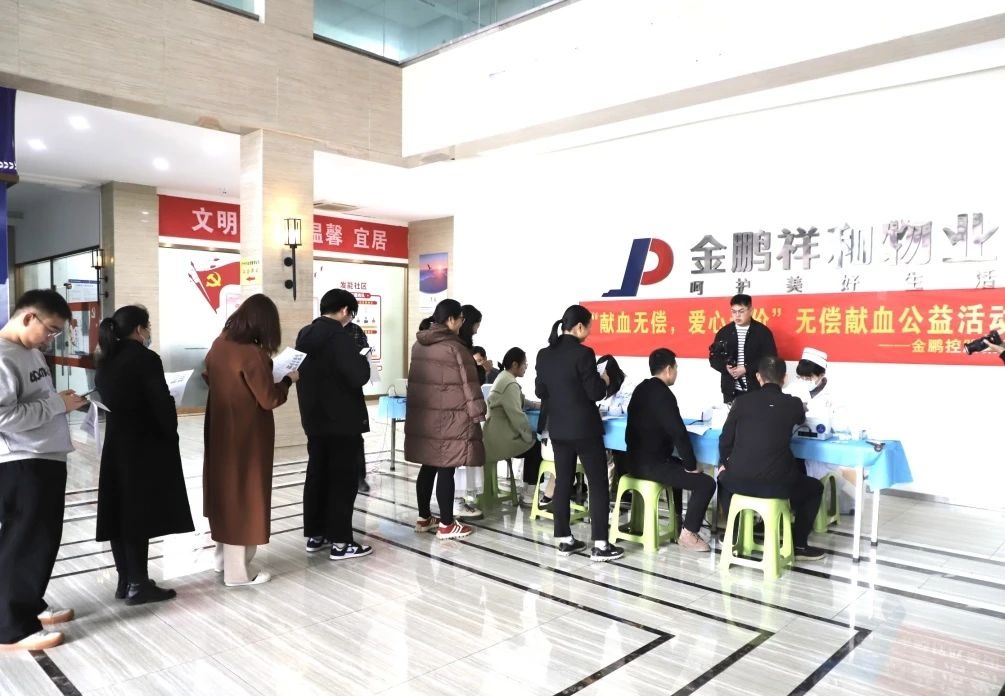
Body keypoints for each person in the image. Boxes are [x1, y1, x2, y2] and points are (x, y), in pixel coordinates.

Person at [0, 290, 87, 650]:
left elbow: (36, 401)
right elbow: (3, 417)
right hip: (21, 461)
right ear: (28, 317)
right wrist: (57, 406)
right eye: (50, 330)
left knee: (42, 539)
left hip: (45, 456)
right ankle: (9, 628)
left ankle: (29, 604)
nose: (50, 339)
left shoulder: (30, 351)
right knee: (23, 540)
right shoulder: (3, 356)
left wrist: (58, 402)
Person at [94, 305, 194, 605]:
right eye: (147, 327)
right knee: (137, 513)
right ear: (139, 329)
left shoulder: (106, 358)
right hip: (142, 446)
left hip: (115, 443)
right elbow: (160, 403)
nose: (149, 332)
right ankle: (139, 584)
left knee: (119, 510)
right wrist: (171, 427)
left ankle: (126, 579)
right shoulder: (145, 358)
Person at [203, 294, 299, 586]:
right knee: (245, 495)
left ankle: (221, 560)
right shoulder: (252, 354)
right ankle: (238, 573)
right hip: (247, 435)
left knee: (225, 491)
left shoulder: (219, 344)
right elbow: (269, 399)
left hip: (220, 429)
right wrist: (288, 380)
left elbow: (210, 377)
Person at [535, 304, 624, 562]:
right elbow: (595, 393)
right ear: (579, 327)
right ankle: (601, 545)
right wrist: (605, 379)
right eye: (589, 327)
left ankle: (565, 539)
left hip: (558, 429)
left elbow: (541, 391)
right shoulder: (584, 354)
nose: (590, 332)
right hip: (584, 429)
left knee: (563, 481)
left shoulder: (544, 354)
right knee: (597, 483)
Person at [717, 355, 825, 561]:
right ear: (784, 378)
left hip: (738, 481)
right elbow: (800, 418)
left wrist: (724, 463)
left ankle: (733, 535)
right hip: (777, 485)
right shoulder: (793, 404)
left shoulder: (741, 402)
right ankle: (798, 544)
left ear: (758, 377)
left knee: (723, 478)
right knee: (815, 488)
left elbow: (725, 440)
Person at [296, 289, 373, 561]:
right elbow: (358, 376)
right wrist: (363, 359)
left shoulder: (305, 334)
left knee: (317, 475)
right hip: (342, 422)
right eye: (351, 313)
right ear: (344, 310)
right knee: (342, 480)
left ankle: (316, 535)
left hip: (314, 419)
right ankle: (341, 542)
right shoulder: (340, 336)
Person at [404, 299, 486, 539]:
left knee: (428, 465)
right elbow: (470, 385)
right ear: (451, 319)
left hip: (425, 417)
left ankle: (424, 518)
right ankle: (447, 524)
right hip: (451, 417)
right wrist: (478, 412)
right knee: (446, 468)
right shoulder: (456, 348)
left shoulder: (418, 345)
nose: (462, 323)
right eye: (461, 319)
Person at [625, 348, 715, 552]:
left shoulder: (641, 389)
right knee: (706, 483)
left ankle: (677, 523)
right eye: (676, 368)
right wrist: (691, 465)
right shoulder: (663, 395)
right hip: (652, 465)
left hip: (633, 461)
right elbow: (678, 433)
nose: (676, 372)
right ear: (668, 369)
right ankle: (688, 534)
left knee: (679, 468)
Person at [784, 347, 855, 513]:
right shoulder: (791, 389)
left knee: (817, 472)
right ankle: (795, 506)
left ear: (821, 375)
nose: (804, 380)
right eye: (801, 377)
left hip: (820, 450)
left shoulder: (834, 394)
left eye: (809, 377)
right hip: (794, 448)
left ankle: (807, 505)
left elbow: (842, 424)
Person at [482, 347, 542, 503]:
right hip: (500, 439)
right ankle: (529, 493)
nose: (526, 366)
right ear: (515, 364)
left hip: (493, 435)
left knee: (532, 443)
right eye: (524, 363)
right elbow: (517, 417)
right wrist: (528, 436)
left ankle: (527, 489)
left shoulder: (503, 377)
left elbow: (519, 400)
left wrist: (536, 405)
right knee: (535, 445)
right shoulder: (510, 383)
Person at [709, 294, 777, 404]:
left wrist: (746, 369)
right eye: (734, 312)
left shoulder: (762, 332)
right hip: (730, 391)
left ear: (751, 310)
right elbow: (714, 359)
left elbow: (771, 359)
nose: (737, 315)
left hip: (756, 389)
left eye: (741, 311)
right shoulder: (724, 332)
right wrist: (726, 368)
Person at [453, 304, 486, 519]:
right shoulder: (460, 347)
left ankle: (456, 502)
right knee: (460, 461)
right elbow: (469, 381)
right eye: (476, 325)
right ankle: (456, 503)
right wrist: (482, 371)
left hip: (455, 411)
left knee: (458, 460)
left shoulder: (455, 346)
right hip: (461, 412)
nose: (477, 329)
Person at [344, 320, 372, 494]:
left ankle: (360, 478)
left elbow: (365, 352)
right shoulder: (324, 331)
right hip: (333, 392)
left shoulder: (355, 329)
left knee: (356, 437)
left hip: (353, 390)